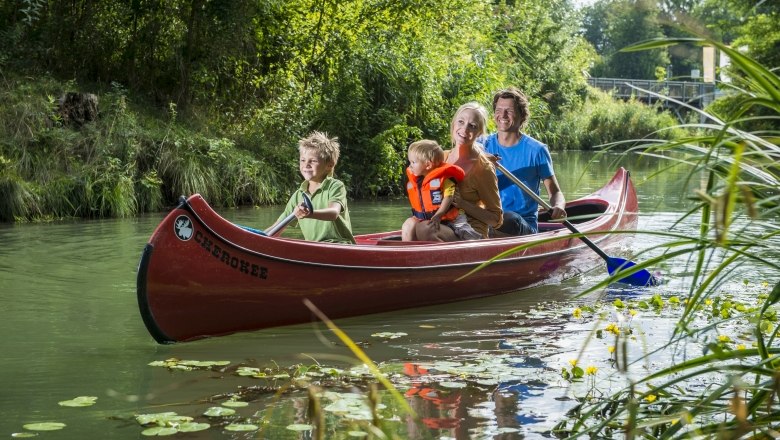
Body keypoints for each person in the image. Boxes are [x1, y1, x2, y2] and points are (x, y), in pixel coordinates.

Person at [481, 88, 566, 236]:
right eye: (499, 110)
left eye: (509, 110)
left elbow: (555, 192)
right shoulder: (482, 146)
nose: (503, 115)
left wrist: (558, 206)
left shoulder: (537, 150)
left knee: (507, 218)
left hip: (521, 224)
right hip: (486, 219)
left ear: (522, 115)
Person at [270, 131, 355, 244]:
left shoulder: (335, 186)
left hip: (339, 245)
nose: (306, 165)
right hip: (315, 247)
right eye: (303, 160)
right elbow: (276, 229)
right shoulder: (298, 195)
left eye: (313, 161)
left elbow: (334, 213)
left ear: (329, 165)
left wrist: (310, 213)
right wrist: (253, 239)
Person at [440, 102, 503, 240]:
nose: (464, 129)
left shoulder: (483, 168)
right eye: (461, 122)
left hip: (471, 232)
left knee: (427, 230)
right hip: (442, 222)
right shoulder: (441, 158)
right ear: (454, 123)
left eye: (472, 126)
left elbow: (495, 220)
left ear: (479, 132)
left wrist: (462, 203)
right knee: (412, 224)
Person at [401, 140, 481, 242]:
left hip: (451, 220)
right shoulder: (418, 181)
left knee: (464, 232)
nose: (410, 165)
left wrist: (439, 214)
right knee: (408, 224)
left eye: (413, 162)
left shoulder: (445, 179)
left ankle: (471, 242)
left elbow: (449, 197)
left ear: (428, 165)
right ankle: (408, 251)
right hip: (425, 218)